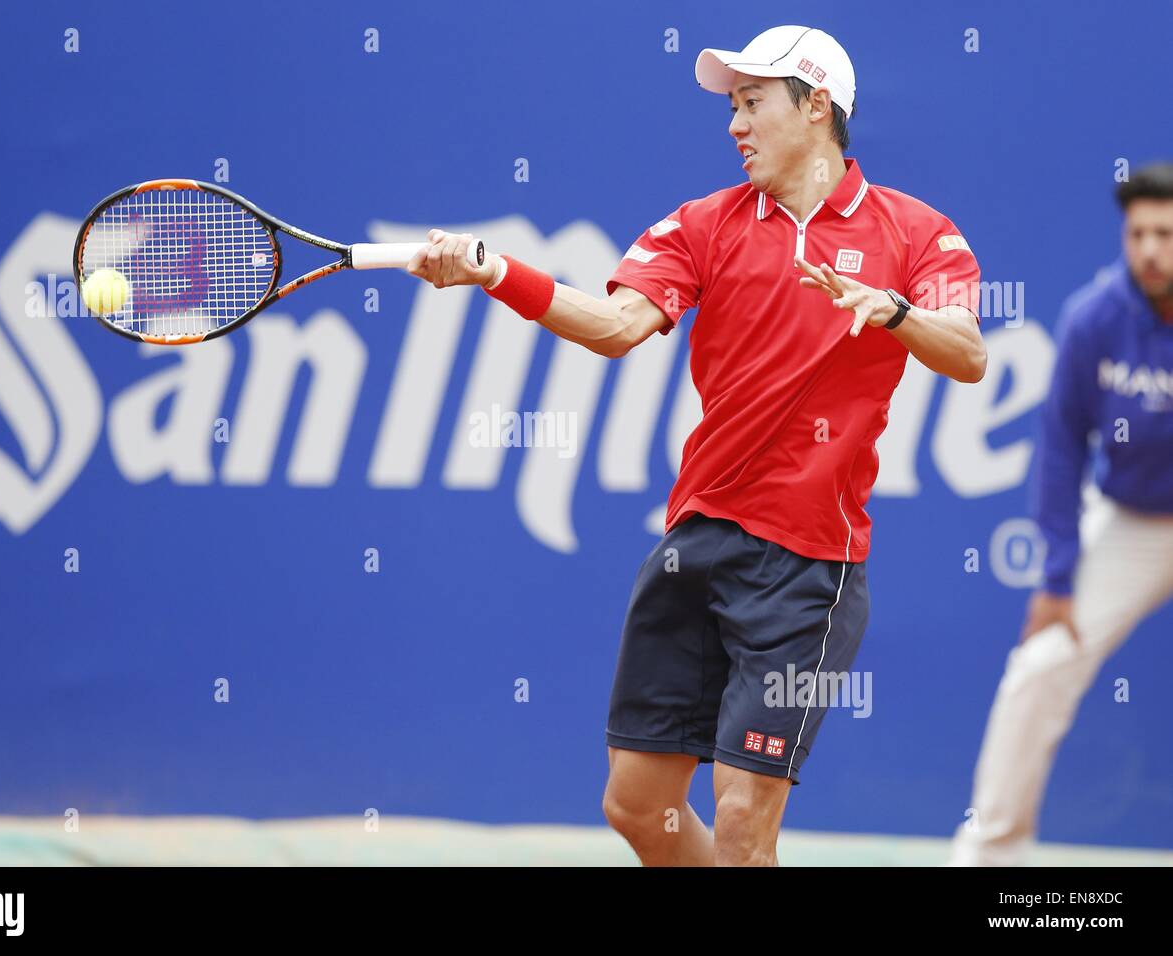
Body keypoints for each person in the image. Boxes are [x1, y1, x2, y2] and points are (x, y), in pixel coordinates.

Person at [407, 25, 985, 866]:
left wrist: (892, 309)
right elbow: (613, 326)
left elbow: (968, 353)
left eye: (752, 103)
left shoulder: (918, 232)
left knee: (746, 823)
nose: (734, 125)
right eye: (732, 107)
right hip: (696, 545)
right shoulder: (702, 226)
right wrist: (496, 271)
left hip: (808, 569)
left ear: (816, 105)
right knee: (639, 807)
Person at [950, 162, 1173, 866]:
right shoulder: (1096, 316)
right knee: (1039, 666)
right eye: (1138, 232)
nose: (1149, 250)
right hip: (1134, 521)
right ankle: (990, 857)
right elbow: (1058, 448)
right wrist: (1057, 575)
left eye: (1165, 234)